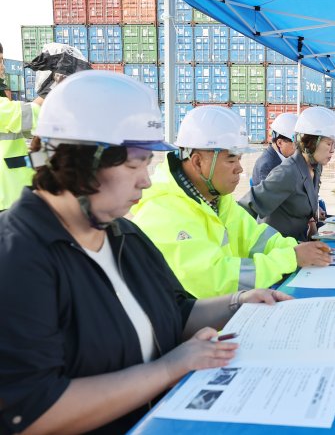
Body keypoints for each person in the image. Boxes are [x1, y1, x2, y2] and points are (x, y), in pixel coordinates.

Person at [0, 71, 293, 434]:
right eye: (134, 163)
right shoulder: (17, 259)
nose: (146, 179)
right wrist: (169, 369)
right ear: (81, 161)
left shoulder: (124, 234)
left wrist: (238, 303)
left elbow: (177, 311)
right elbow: (29, 413)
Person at [131, 105, 331, 298]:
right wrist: (291, 258)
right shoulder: (163, 213)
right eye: (231, 160)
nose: (240, 169)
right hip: (204, 329)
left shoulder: (218, 200)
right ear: (198, 161)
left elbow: (256, 238)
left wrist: (296, 248)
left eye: (240, 159)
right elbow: (216, 281)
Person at [0, 42, 89, 211]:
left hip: (17, 196)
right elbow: (23, 116)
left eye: (3, 61)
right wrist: (53, 88)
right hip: (5, 200)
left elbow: (21, 155)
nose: (2, 67)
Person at [243, 106, 335, 242]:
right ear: (310, 143)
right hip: (280, 249)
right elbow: (246, 207)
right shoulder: (287, 172)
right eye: (328, 143)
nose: (332, 150)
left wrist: (313, 224)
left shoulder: (316, 167)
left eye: (334, 144)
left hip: (302, 242)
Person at [252, 112, 297, 184]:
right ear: (280, 143)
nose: (298, 149)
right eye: (296, 144)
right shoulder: (267, 167)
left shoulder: (283, 158)